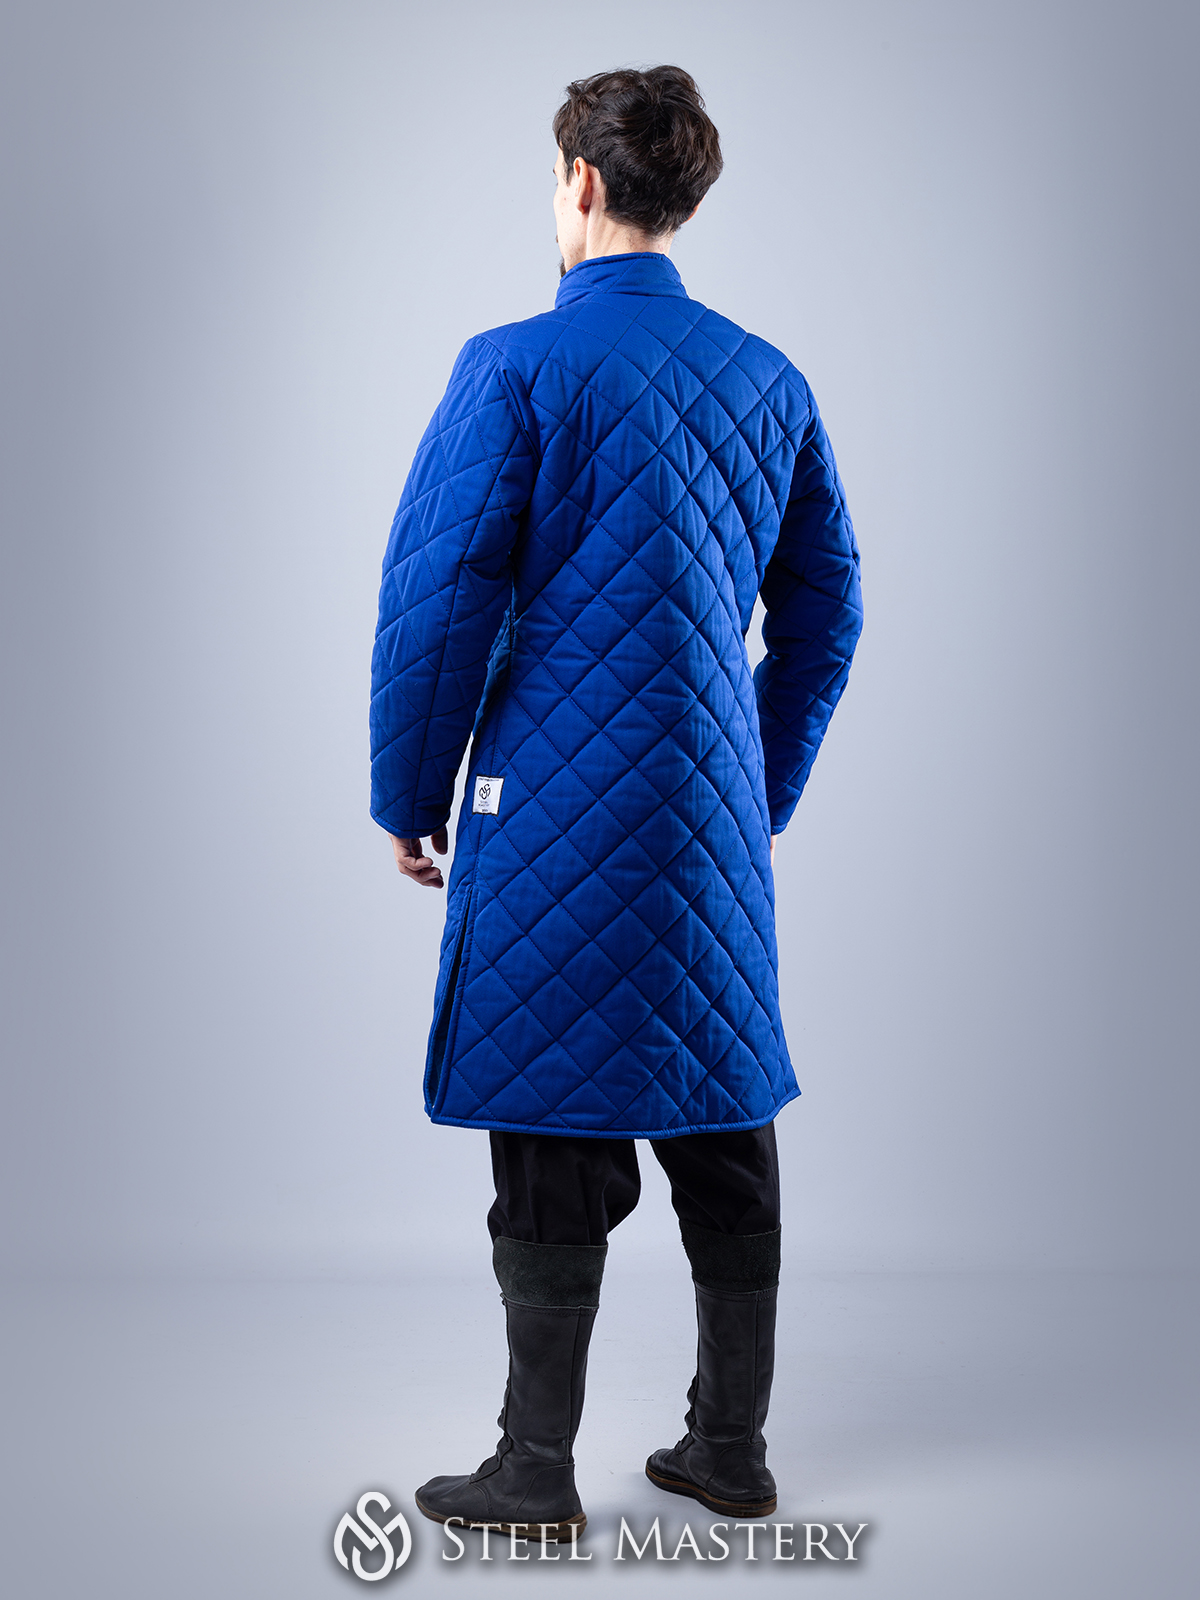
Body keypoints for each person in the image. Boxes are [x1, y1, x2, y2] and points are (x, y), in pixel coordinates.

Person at [370, 65, 862, 1541]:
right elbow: (828, 611)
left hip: (549, 816)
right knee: (722, 1114)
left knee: (552, 1117)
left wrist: (408, 791)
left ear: (581, 182)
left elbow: (440, 602)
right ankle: (733, 1450)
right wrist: (752, 787)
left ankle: (533, 1469)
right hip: (706, 833)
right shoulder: (770, 379)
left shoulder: (514, 367)